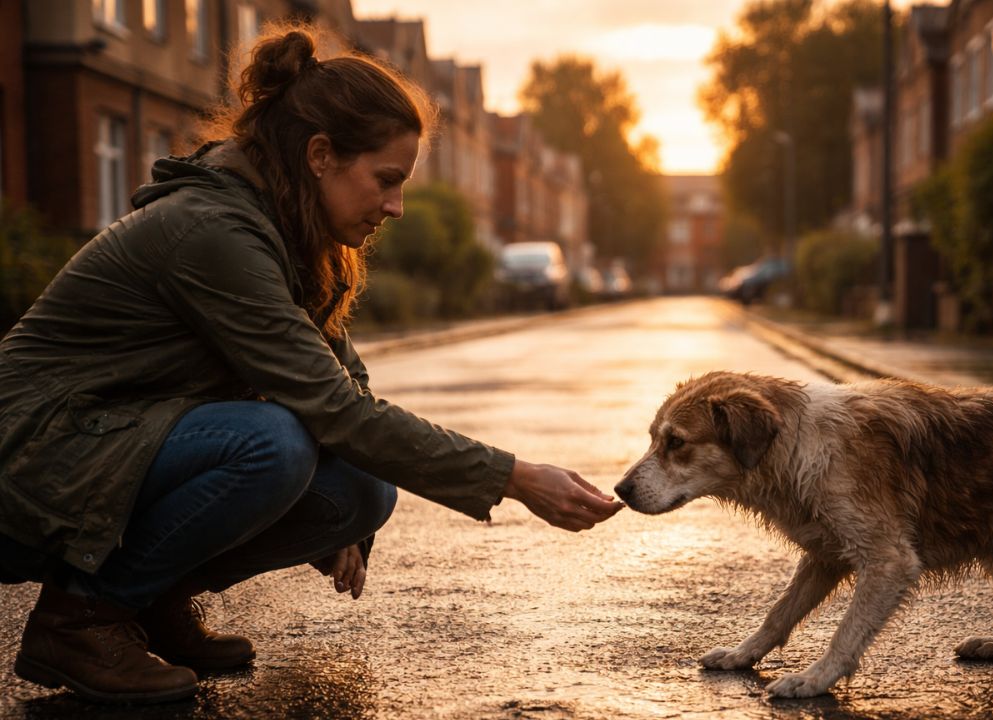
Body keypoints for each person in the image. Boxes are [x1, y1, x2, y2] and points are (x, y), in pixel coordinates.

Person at [0, 26, 622, 705]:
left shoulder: (288, 230)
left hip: (111, 439)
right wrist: (516, 477)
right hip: (33, 452)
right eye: (386, 180)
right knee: (272, 445)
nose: (396, 206)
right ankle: (81, 618)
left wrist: (355, 519)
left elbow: (345, 385)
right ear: (321, 155)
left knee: (363, 491)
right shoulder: (214, 232)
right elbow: (337, 413)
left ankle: (148, 598)